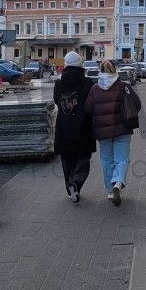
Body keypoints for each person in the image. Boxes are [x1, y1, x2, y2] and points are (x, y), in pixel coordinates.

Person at [85, 59, 140, 205]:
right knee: (122, 159)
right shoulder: (123, 86)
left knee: (106, 160)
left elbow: (88, 110)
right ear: (115, 70)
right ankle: (118, 183)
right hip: (122, 129)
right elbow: (137, 105)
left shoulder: (94, 89)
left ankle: (110, 191)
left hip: (102, 132)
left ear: (100, 71)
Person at [53, 51, 95, 203]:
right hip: (84, 127)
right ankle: (76, 183)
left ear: (66, 64)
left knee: (67, 160)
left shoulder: (58, 84)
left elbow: (57, 101)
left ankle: (71, 188)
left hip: (63, 128)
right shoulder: (88, 83)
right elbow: (92, 103)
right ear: (80, 64)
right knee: (83, 159)